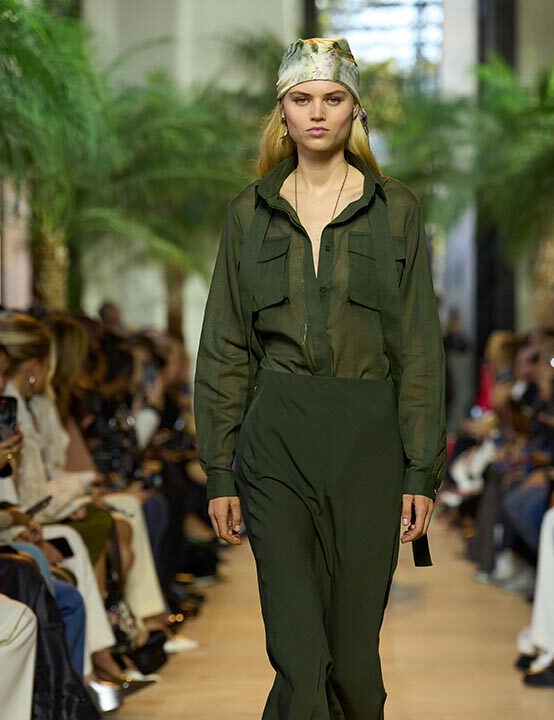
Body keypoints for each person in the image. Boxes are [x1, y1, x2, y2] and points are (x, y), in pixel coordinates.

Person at [194, 37, 446, 719]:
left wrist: (420, 470)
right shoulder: (249, 213)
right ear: (282, 110)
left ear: (355, 109)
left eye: (333, 99)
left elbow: (419, 349)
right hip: (275, 442)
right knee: (299, 653)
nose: (317, 112)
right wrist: (219, 470)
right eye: (302, 99)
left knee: (354, 662)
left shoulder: (395, 209)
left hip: (368, 445)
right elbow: (224, 347)